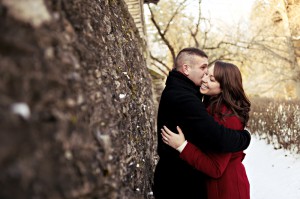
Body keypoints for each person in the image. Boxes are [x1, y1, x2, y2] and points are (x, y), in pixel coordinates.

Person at [152, 48, 251, 199]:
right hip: (183, 184)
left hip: (227, 188)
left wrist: (182, 145)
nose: (205, 78)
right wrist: (244, 137)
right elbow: (218, 138)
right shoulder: (186, 98)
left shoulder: (224, 113)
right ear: (186, 68)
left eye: (211, 78)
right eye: (204, 70)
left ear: (224, 87)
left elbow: (216, 164)